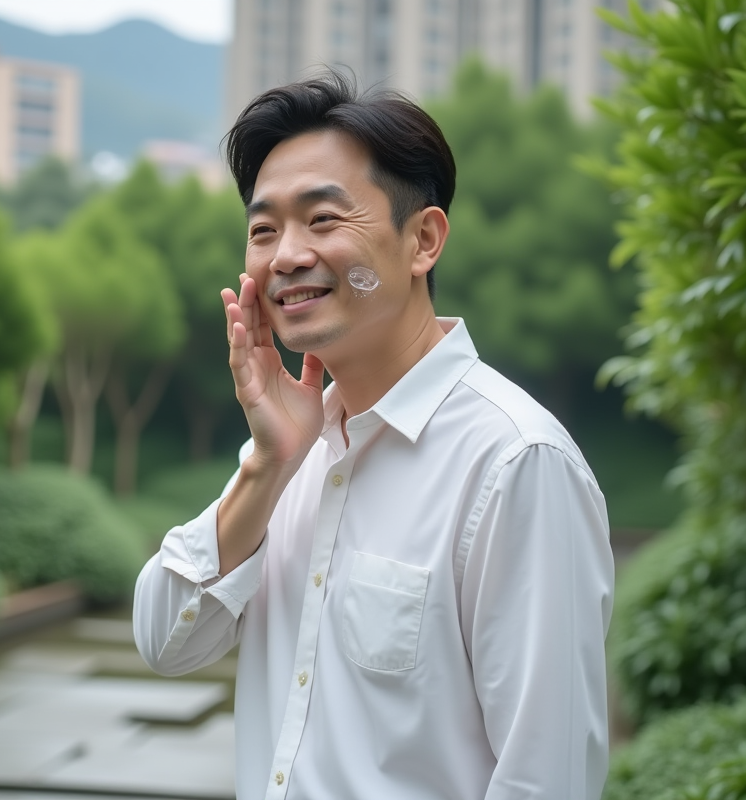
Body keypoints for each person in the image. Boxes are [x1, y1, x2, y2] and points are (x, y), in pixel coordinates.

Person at [133, 70, 614, 800]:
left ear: (423, 239)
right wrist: (267, 466)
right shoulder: (293, 451)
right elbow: (166, 642)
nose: (286, 255)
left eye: (323, 219)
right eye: (263, 230)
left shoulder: (515, 462)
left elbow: (546, 777)